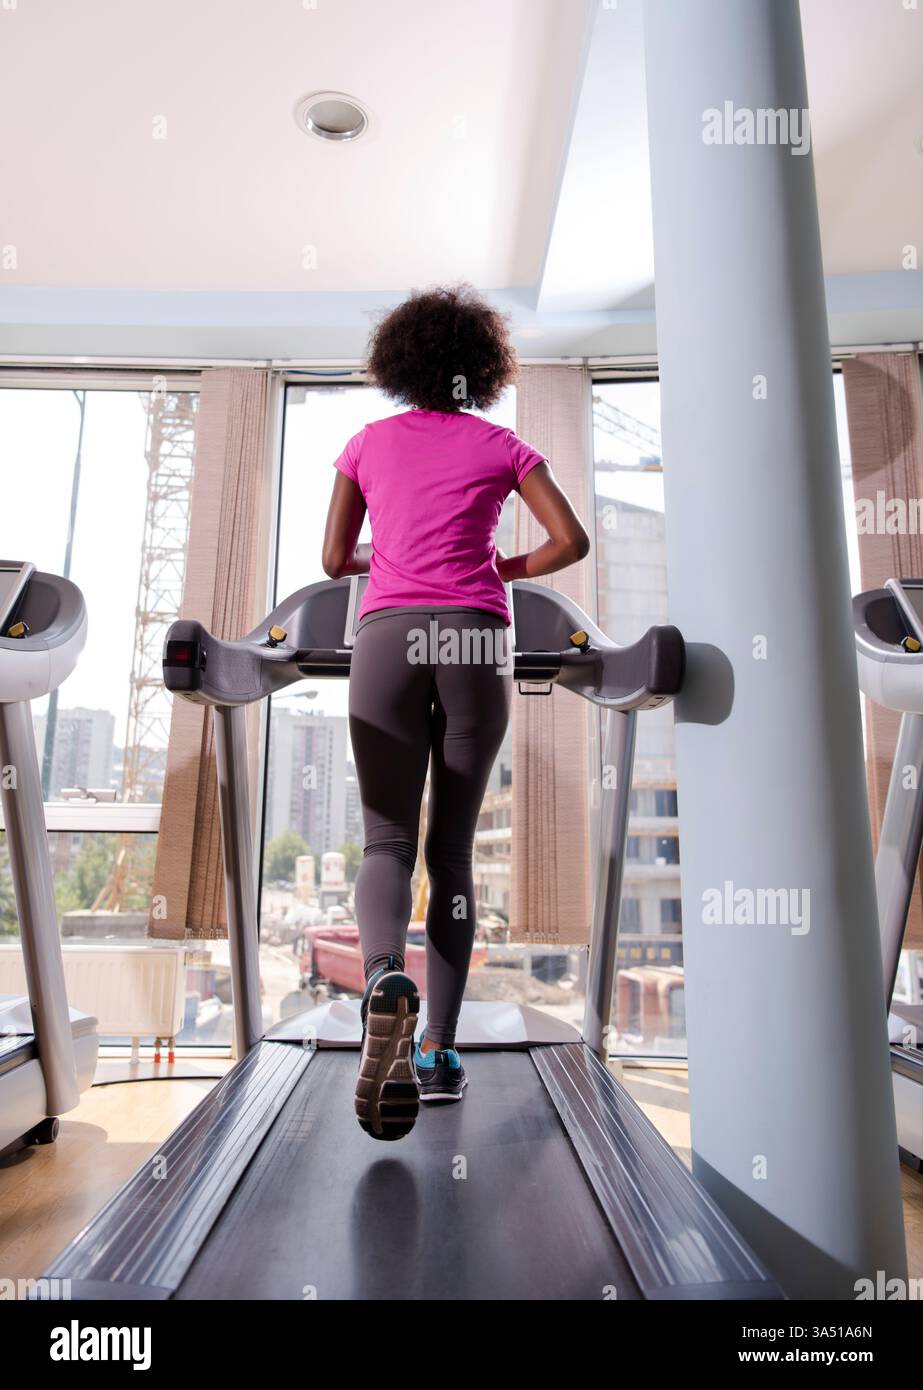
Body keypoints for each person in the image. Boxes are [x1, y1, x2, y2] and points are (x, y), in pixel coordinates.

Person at [322, 283, 589, 1141]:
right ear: (481, 369)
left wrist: (392, 553)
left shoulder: (366, 443)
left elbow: (333, 560)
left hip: (387, 639)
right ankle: (436, 1049)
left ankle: (376, 985)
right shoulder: (500, 443)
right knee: (452, 849)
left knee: (386, 840)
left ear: (397, 366)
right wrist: (498, 569)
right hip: (476, 638)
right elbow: (570, 543)